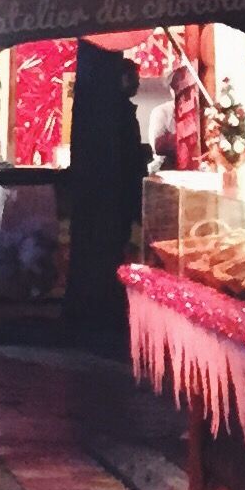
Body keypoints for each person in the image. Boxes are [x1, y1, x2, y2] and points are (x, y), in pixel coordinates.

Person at [62, 42, 148, 338]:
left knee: (118, 242)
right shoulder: (117, 114)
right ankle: (108, 295)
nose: (136, 85)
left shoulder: (119, 111)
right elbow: (125, 155)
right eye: (133, 79)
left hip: (120, 194)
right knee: (116, 241)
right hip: (119, 194)